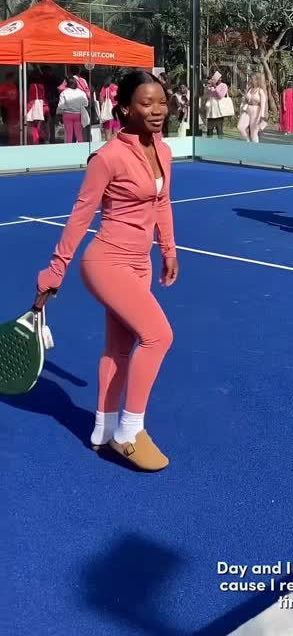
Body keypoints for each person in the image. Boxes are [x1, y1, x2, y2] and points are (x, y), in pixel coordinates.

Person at [34, 70, 178, 472]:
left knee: (120, 347)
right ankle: (130, 432)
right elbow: (81, 217)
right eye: (146, 104)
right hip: (106, 262)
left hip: (140, 262)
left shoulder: (163, 150)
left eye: (162, 102)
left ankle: (103, 428)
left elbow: (162, 203)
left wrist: (168, 250)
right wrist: (55, 272)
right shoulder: (108, 157)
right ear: (125, 109)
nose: (157, 110)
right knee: (158, 336)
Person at [57, 76, 90, 144]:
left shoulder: (64, 92)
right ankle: (80, 147)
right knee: (79, 134)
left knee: (69, 134)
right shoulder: (81, 93)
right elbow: (86, 103)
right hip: (78, 114)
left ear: (67, 84)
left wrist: (66, 107)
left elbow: (61, 105)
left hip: (67, 114)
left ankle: (69, 148)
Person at [238, 74, 268, 143]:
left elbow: (263, 104)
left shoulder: (260, 90)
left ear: (257, 81)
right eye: (251, 79)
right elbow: (245, 99)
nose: (251, 80)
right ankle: (247, 140)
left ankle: (255, 147)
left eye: (253, 79)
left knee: (254, 132)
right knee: (240, 127)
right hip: (247, 109)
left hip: (256, 111)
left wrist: (262, 116)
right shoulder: (249, 89)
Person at [203, 71, 229, 137]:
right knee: (209, 131)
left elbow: (220, 96)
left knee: (219, 129)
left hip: (219, 111)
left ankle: (220, 142)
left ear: (220, 79)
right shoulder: (211, 87)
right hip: (211, 111)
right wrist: (207, 88)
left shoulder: (224, 85)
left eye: (217, 78)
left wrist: (215, 87)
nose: (215, 80)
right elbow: (206, 96)